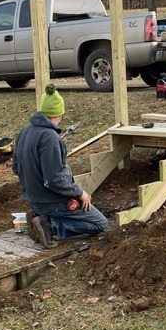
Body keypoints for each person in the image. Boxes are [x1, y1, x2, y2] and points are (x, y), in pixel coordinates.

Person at [12, 83, 109, 248]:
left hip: (33, 199)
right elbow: (54, 180)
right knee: (102, 225)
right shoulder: (50, 138)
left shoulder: (25, 131)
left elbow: (16, 168)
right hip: (50, 201)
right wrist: (79, 193)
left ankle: (42, 217)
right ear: (59, 113)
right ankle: (52, 227)